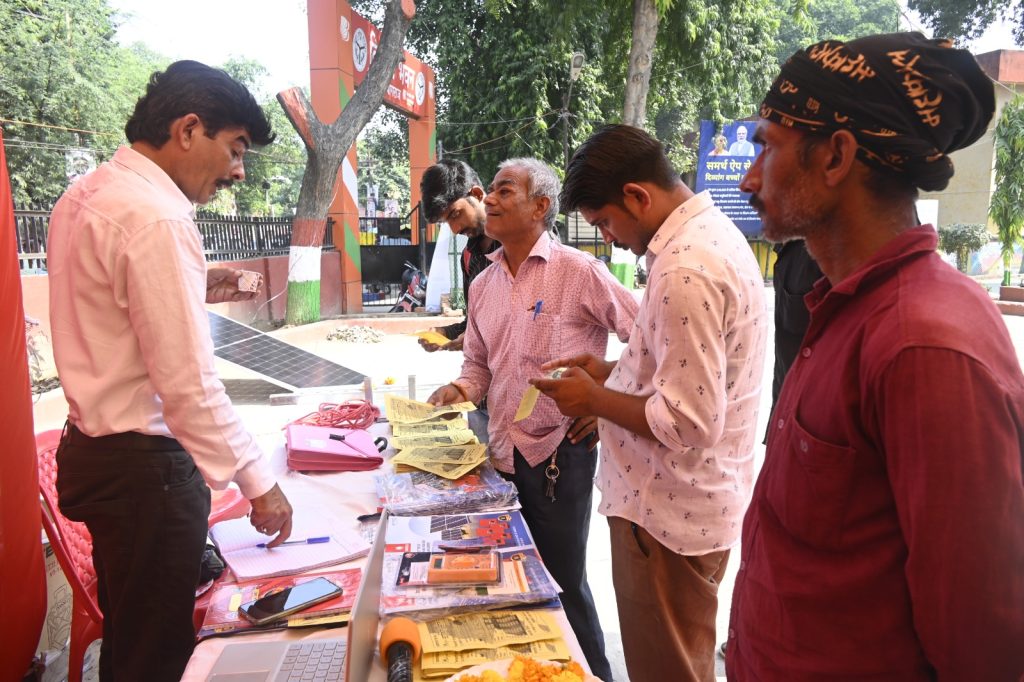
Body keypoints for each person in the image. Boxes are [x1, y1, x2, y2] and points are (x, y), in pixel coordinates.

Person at [728, 33, 1024, 680]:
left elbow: (981, 642)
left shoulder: (925, 345)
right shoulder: (840, 305)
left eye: (767, 146)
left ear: (835, 156)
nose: (750, 177)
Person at [47, 60, 294, 681]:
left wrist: (196, 284)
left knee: (135, 640)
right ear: (188, 130)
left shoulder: (88, 193)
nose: (239, 170)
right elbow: (188, 386)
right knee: (154, 656)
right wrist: (259, 484)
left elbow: (112, 311)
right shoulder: (155, 217)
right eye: (236, 148)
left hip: (104, 458)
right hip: (144, 474)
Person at [532, 124, 767, 682]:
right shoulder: (707, 241)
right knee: (677, 659)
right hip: (679, 508)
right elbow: (691, 376)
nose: (609, 238)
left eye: (605, 223)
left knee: (668, 669)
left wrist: (594, 398)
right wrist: (615, 371)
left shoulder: (686, 266)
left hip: (664, 516)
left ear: (638, 196)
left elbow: (687, 420)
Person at [428, 158, 638, 682]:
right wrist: (458, 388)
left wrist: (607, 398)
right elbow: (478, 365)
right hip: (498, 455)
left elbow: (650, 336)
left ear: (541, 207)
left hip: (560, 455)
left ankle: (595, 675)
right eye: (491, 192)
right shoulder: (483, 285)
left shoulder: (579, 272)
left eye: (504, 190)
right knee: (511, 583)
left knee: (562, 583)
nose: (490, 200)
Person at [418, 158, 500, 353]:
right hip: (488, 377)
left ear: (477, 194)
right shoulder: (468, 257)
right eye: (446, 222)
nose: (455, 229)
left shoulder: (518, 243)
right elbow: (473, 324)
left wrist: (477, 341)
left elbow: (533, 321)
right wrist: (444, 333)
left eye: (455, 214)